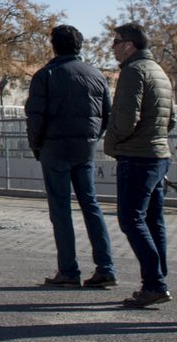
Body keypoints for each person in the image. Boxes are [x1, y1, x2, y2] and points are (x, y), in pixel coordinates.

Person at [27, 24, 115, 290]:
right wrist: (91, 139)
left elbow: (35, 116)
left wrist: (37, 146)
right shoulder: (96, 75)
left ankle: (68, 269)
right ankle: (105, 267)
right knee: (91, 205)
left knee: (61, 209)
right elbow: (106, 115)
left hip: (54, 148)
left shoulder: (47, 75)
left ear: (54, 45)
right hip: (84, 148)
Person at [102, 22, 176, 309]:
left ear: (129, 44)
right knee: (154, 221)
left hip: (137, 155)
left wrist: (113, 139)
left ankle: (154, 283)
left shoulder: (133, 72)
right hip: (159, 154)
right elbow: (170, 119)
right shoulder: (159, 72)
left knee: (131, 219)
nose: (113, 47)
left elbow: (125, 118)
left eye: (116, 42)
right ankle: (159, 279)